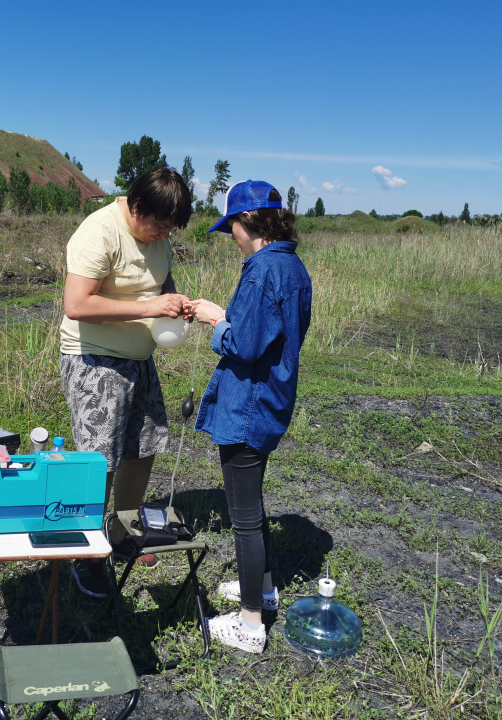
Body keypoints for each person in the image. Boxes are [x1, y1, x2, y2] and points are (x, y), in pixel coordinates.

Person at [187, 180, 312, 652]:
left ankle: (250, 624)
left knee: (242, 517)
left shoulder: (261, 270)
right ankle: (260, 589)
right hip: (272, 399)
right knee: (253, 505)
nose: (231, 237)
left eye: (232, 227)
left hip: (247, 407)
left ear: (248, 223)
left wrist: (215, 322)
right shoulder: (293, 266)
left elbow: (245, 344)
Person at [60, 167, 194, 598]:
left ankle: (121, 531)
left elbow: (159, 285)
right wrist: (150, 307)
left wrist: (175, 303)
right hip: (95, 360)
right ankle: (86, 551)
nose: (163, 235)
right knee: (100, 459)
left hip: (139, 360)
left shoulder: (159, 234)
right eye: (158, 225)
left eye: (170, 229)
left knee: (144, 446)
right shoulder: (99, 232)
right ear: (137, 207)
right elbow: (77, 304)